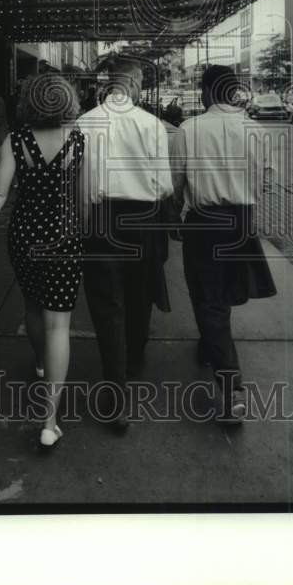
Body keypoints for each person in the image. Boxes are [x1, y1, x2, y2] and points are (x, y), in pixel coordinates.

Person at [0, 73, 85, 449]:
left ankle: (39, 362)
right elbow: (88, 194)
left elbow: (0, 191)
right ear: (67, 100)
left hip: (25, 235)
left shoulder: (15, 140)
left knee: (33, 304)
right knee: (60, 326)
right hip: (65, 236)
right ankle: (50, 421)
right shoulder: (80, 139)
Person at [170, 64, 277, 423]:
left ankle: (232, 391)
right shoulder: (257, 131)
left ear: (206, 92)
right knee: (223, 292)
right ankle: (210, 345)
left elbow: (177, 183)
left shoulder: (189, 130)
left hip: (205, 224)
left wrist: (173, 219)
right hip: (241, 222)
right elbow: (265, 184)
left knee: (208, 298)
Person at [77, 57, 174, 432]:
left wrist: (86, 224)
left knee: (107, 303)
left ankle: (115, 393)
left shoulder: (85, 123)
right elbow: (164, 185)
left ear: (109, 84)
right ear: (134, 86)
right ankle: (134, 360)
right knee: (140, 292)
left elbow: (82, 186)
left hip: (103, 221)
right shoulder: (152, 124)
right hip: (144, 219)